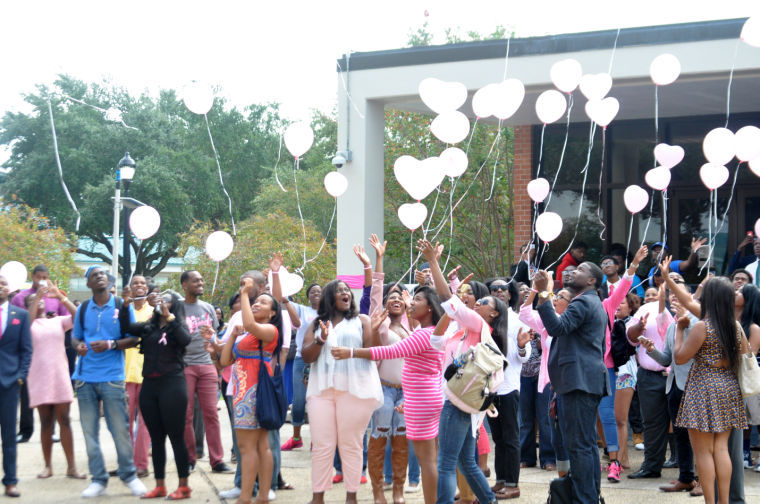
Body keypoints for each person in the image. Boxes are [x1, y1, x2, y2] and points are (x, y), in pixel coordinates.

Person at [332, 285, 445, 504]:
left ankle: (408, 494)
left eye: (416, 300)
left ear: (429, 307)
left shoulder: (420, 333)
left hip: (417, 398)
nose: (409, 302)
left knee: (426, 459)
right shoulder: (423, 331)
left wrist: (351, 352)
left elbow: (390, 351)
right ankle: (379, 492)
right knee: (387, 442)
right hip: (404, 394)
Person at [422, 240, 499, 504]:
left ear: (494, 314)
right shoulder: (463, 330)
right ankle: (490, 501)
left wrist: (433, 262)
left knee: (445, 463)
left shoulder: (477, 324)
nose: (478, 304)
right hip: (463, 402)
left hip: (458, 403)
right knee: (466, 462)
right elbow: (436, 340)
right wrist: (450, 312)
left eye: (485, 302)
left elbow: (448, 300)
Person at [532, 261, 608, 503]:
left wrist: (544, 293)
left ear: (591, 281)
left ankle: (584, 498)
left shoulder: (584, 301)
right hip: (582, 381)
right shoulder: (592, 302)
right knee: (585, 445)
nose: (574, 271)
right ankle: (589, 495)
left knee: (579, 446)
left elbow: (556, 327)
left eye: (581, 270)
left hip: (579, 382)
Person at [302, 279, 384, 504]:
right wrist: (321, 340)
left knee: (351, 444)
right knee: (322, 445)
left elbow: (372, 352)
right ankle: (317, 497)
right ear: (330, 297)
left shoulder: (362, 320)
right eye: (340, 291)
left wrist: (369, 336)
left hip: (355, 389)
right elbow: (307, 356)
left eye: (347, 290)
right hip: (321, 390)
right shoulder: (317, 324)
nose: (346, 293)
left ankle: (351, 497)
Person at [70, 266, 147, 498]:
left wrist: (110, 344)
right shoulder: (83, 309)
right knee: (89, 432)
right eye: (94, 275)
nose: (100, 276)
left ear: (109, 280)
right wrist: (78, 346)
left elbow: (133, 338)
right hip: (85, 378)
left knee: (120, 429)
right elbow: (74, 337)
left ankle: (129, 475)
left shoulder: (121, 306)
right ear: (88, 284)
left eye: (103, 273)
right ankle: (99, 479)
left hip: (113, 376)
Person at [674, 277, 748, 504]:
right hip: (728, 386)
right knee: (721, 449)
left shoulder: (702, 326)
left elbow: (679, 357)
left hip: (703, 386)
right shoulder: (735, 327)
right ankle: (724, 502)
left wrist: (679, 330)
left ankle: (710, 502)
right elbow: (745, 355)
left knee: (703, 452)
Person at [120, 289, 192, 500]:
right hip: (150, 386)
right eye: (160, 300)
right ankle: (159, 485)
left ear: (174, 306)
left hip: (173, 386)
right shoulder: (149, 327)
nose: (162, 302)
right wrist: (125, 305)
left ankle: (183, 486)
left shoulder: (177, 326)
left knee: (176, 438)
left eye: (167, 300)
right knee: (157, 438)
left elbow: (185, 339)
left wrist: (170, 318)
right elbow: (127, 327)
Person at [219, 275, 283, 504]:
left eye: (263, 303)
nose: (257, 304)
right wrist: (233, 337)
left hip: (252, 392)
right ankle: (262, 496)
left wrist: (245, 294)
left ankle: (246, 497)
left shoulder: (269, 331)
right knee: (260, 445)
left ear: (273, 313)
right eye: (257, 301)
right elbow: (226, 361)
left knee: (248, 447)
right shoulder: (250, 334)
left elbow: (249, 324)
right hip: (243, 391)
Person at [639, 284, 699, 493]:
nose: (674, 300)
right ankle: (686, 477)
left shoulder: (699, 323)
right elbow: (667, 358)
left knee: (698, 435)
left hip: (693, 386)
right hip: (673, 384)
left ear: (690, 297)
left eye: (679, 296)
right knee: (681, 434)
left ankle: (702, 479)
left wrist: (685, 323)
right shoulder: (673, 326)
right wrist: (651, 349)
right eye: (672, 297)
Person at [23, 282, 85, 480]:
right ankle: (48, 466)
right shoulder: (28, 323)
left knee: (65, 420)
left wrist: (60, 297)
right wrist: (38, 298)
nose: (38, 301)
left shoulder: (57, 321)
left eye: (40, 299)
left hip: (59, 375)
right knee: (45, 422)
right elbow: (27, 324)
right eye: (32, 300)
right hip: (39, 377)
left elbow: (78, 317)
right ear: (28, 306)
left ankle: (71, 467)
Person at [179, 270, 233, 473]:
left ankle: (217, 460)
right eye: (196, 280)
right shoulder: (177, 308)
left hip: (207, 366)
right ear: (185, 284)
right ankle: (189, 458)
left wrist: (214, 343)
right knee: (186, 415)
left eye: (202, 280)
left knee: (211, 414)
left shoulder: (208, 308)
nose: (200, 283)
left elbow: (216, 340)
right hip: (185, 366)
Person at [519, 283, 573, 478]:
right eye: (554, 295)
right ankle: (531, 457)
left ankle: (550, 459)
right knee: (536, 418)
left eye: (561, 296)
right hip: (547, 378)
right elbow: (524, 313)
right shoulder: (547, 322)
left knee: (550, 422)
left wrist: (546, 290)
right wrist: (535, 289)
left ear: (571, 303)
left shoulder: (572, 320)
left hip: (565, 380)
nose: (556, 298)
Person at [11, 265, 68, 444]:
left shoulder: (53, 296)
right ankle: (25, 430)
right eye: (39, 277)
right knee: (27, 392)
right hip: (28, 348)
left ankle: (51, 431)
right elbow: (15, 319)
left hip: (50, 346)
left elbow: (65, 316)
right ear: (33, 277)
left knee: (52, 391)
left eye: (45, 277)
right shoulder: (21, 297)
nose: (42, 280)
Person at [626, 278, 676, 480]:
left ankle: (688, 472)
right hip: (651, 376)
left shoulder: (692, 310)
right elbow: (630, 336)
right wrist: (639, 327)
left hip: (679, 377)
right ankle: (652, 467)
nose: (672, 293)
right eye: (669, 288)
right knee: (653, 423)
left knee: (684, 424)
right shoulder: (649, 308)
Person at [0, 274, 32, 498]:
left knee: (9, 435)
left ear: (8, 288)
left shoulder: (20, 315)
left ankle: (10, 481)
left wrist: (20, 376)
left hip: (9, 383)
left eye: (2, 282)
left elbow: (26, 350)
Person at [280, 283, 320, 452]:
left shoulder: (331, 313)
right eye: (313, 291)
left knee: (318, 402)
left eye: (319, 291)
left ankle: (316, 439)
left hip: (321, 362)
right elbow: (282, 299)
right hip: (301, 360)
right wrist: (280, 279)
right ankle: (296, 438)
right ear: (308, 296)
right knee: (298, 401)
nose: (316, 293)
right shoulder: (301, 310)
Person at [123, 275, 153, 478]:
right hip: (123, 373)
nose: (139, 286)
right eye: (136, 283)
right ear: (130, 288)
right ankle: (126, 463)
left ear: (148, 287)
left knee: (145, 421)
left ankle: (141, 463)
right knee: (124, 420)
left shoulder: (155, 311)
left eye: (143, 283)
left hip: (148, 373)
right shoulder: (123, 310)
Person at [611, 292, 641, 470]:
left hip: (625, 374)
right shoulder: (608, 322)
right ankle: (613, 455)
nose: (618, 306)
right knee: (605, 417)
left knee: (620, 419)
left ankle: (623, 459)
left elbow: (634, 337)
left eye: (622, 303)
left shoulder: (632, 324)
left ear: (630, 306)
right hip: (607, 373)